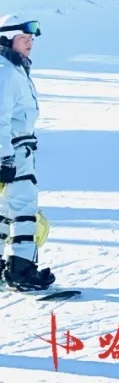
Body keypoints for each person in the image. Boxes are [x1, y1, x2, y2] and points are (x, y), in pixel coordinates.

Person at [0, 15, 56, 291]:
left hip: (16, 148)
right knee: (23, 209)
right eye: (24, 38)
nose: (30, 43)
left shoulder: (13, 67)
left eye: (31, 38)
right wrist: (4, 157)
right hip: (14, 149)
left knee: (3, 209)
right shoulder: (5, 71)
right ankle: (22, 270)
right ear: (7, 39)